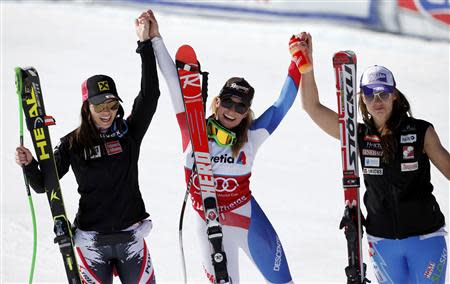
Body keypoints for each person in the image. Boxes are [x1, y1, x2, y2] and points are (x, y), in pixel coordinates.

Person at [149, 13, 303, 284]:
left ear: (247, 113)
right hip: (207, 223)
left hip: (245, 216)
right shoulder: (193, 129)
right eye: (228, 103)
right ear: (217, 102)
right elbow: (175, 84)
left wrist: (297, 61)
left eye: (240, 107)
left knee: (284, 281)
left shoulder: (251, 136)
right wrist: (155, 39)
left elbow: (281, 105)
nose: (232, 111)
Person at [15, 10, 160, 283]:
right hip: (92, 243)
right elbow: (44, 183)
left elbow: (150, 95)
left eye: (112, 105)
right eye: (99, 106)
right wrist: (30, 163)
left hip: (132, 238)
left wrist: (145, 45)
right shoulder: (73, 142)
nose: (106, 112)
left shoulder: (129, 133)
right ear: (87, 107)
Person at [298, 32, 449, 283]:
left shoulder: (421, 131)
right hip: (383, 242)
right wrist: (306, 65)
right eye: (369, 94)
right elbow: (312, 107)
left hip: (426, 239)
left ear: (394, 95)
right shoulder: (356, 134)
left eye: (383, 93)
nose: (377, 100)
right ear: (362, 99)